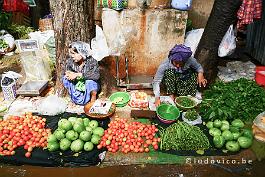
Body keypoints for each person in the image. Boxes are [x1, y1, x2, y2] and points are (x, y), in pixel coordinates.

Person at [62, 41, 100, 105]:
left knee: (90, 82)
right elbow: (66, 71)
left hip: (88, 84)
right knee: (65, 78)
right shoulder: (71, 61)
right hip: (78, 83)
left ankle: (93, 99)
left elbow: (96, 75)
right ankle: (75, 97)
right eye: (71, 54)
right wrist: (68, 73)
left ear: (81, 53)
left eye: (74, 53)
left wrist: (77, 75)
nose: (72, 56)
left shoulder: (91, 61)